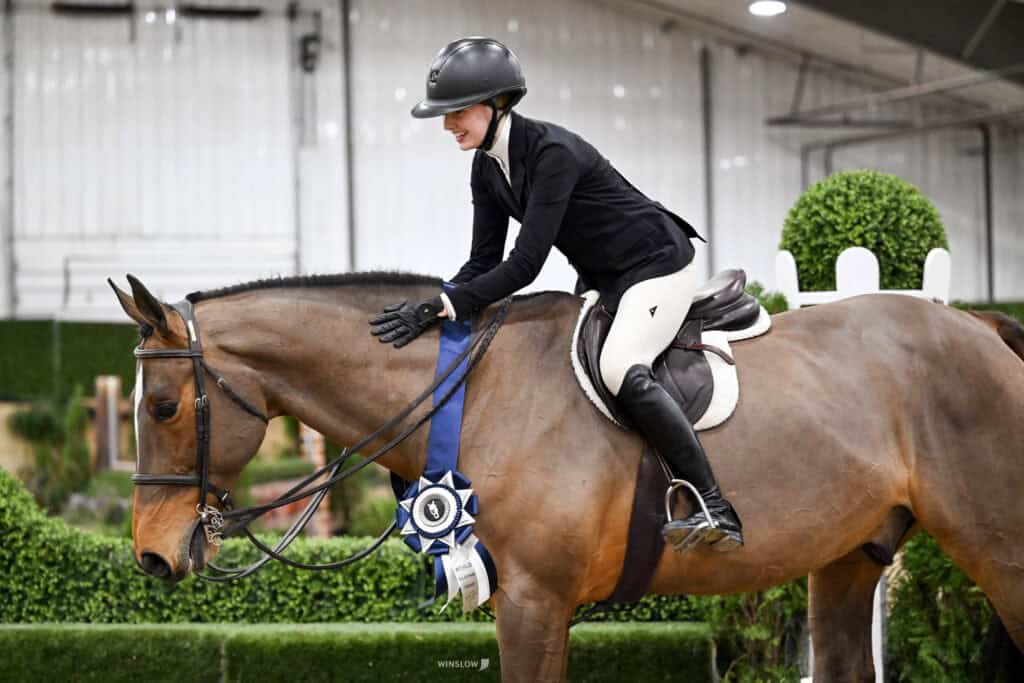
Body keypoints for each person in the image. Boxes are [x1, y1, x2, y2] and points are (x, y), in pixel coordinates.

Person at [369, 37, 742, 552]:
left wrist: (443, 305)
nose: (448, 125)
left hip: (655, 266)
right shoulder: (486, 166)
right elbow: (483, 261)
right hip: (602, 278)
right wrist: (436, 304)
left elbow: (523, 266)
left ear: (497, 104)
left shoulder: (552, 155)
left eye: (457, 112)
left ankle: (714, 506)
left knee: (620, 368)